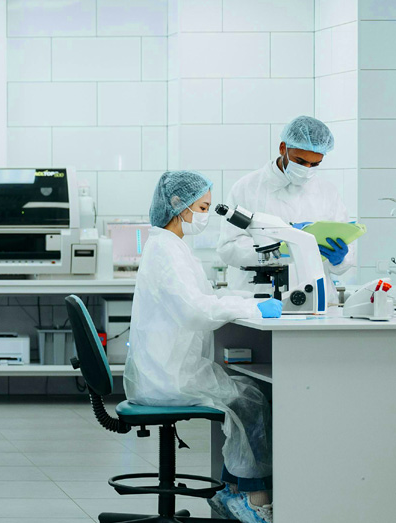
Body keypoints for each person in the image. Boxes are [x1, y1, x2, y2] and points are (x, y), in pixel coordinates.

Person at [128, 171, 281, 523]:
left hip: (169, 370)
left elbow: (203, 297)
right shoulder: (165, 249)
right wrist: (254, 308)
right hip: (167, 379)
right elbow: (196, 310)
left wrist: (248, 299)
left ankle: (232, 492)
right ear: (177, 204)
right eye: (202, 207)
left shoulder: (171, 245)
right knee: (251, 400)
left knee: (247, 393)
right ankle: (251, 499)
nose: (206, 215)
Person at [217, 115, 351, 302]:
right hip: (259, 298)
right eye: (300, 161)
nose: (307, 169)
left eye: (315, 164)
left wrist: (341, 259)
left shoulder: (327, 192)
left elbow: (345, 251)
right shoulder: (247, 188)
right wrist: (279, 246)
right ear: (283, 148)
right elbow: (228, 249)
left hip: (316, 297)